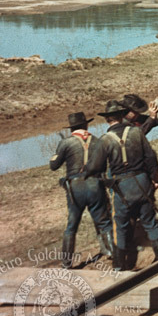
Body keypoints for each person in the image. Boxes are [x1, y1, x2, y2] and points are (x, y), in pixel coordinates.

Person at [100, 100, 158, 270]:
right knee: (150, 221)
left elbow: (97, 167)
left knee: (119, 226)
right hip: (142, 181)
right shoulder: (136, 132)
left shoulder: (104, 140)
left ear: (107, 120)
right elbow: (150, 157)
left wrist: (106, 184)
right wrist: (155, 177)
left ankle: (119, 265)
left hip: (121, 187)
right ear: (122, 116)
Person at [49, 112, 115, 268]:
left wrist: (56, 154)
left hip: (76, 187)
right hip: (95, 184)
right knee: (104, 222)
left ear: (72, 128)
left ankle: (66, 263)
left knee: (72, 226)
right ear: (86, 125)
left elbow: (54, 165)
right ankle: (113, 253)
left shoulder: (66, 143)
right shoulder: (98, 141)